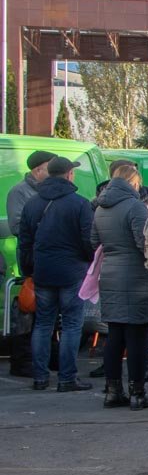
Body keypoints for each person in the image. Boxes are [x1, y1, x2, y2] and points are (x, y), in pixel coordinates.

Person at [18, 156, 95, 392]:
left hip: (43, 272)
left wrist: (28, 270)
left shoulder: (32, 204)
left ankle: (40, 378)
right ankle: (67, 378)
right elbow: (88, 241)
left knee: (43, 324)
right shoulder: (79, 204)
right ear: (69, 174)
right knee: (72, 325)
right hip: (72, 272)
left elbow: (25, 242)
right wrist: (88, 262)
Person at [91, 163, 148, 410]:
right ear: (133, 183)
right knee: (137, 337)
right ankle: (137, 392)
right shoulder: (135, 206)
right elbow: (145, 244)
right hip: (137, 277)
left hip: (109, 275)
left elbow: (93, 241)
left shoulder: (100, 207)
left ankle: (112, 390)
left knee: (114, 336)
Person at [5, 149, 55, 377]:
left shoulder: (50, 191)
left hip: (50, 258)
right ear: (38, 170)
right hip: (32, 259)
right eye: (50, 166)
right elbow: (17, 226)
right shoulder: (19, 192)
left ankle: (45, 358)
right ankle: (24, 361)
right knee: (30, 307)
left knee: (47, 313)